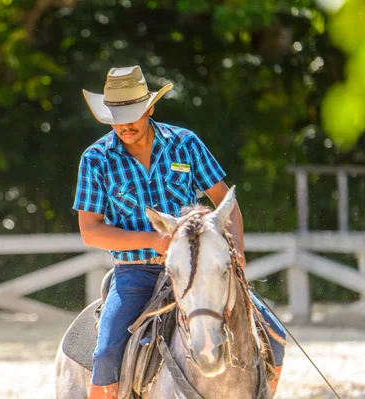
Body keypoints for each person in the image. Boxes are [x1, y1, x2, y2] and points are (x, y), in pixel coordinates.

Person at [72, 65, 285, 399]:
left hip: (199, 269)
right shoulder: (96, 160)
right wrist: (155, 241)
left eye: (133, 115)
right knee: (105, 357)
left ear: (150, 108)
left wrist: (236, 252)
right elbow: (91, 231)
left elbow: (224, 202)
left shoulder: (185, 144)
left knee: (275, 335)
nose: (125, 125)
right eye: (117, 117)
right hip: (136, 273)